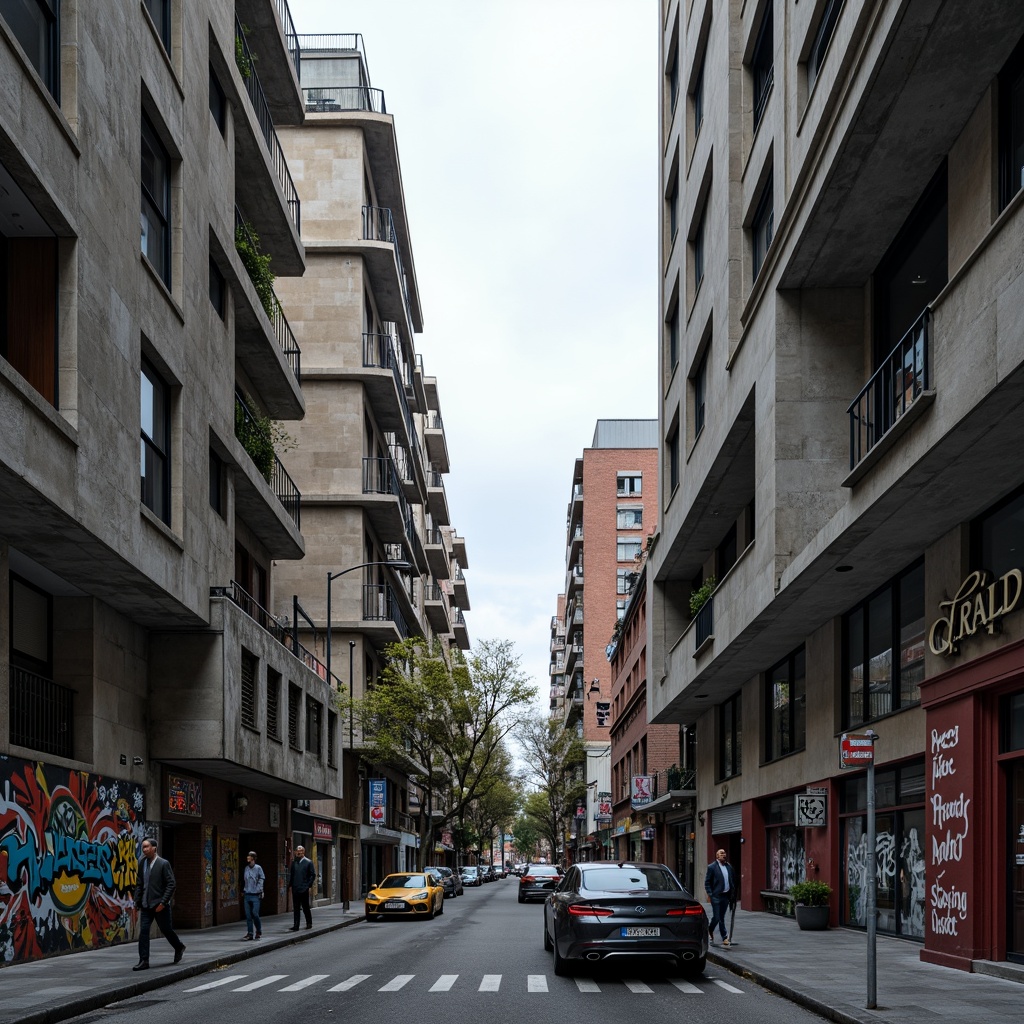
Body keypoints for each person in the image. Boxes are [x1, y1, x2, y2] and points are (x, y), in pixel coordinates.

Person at [133, 837, 186, 970]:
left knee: (166, 930)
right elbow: (139, 883)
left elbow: (171, 884)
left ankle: (179, 947)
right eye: (143, 847)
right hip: (145, 905)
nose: (144, 849)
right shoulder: (141, 862)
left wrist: (163, 902)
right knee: (144, 932)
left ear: (154, 848)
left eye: (147, 847)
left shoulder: (163, 864)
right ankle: (144, 960)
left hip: (160, 905)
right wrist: (136, 901)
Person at [703, 848, 738, 947]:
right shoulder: (712, 867)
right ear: (717, 856)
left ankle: (724, 937)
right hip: (716, 896)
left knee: (721, 917)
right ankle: (710, 929)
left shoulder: (728, 867)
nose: (724, 855)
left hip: (726, 896)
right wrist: (710, 894)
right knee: (717, 917)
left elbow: (732, 880)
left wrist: (733, 894)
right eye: (721, 853)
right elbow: (707, 882)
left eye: (724, 853)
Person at [288, 846, 316, 930]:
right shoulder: (294, 863)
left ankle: (309, 923)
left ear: (303, 852)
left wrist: (308, 885)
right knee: (296, 908)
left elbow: (312, 875)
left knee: (305, 907)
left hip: (304, 888)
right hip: (295, 888)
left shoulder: (308, 862)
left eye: (300, 851)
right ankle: (296, 925)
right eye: (297, 851)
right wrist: (290, 885)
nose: (298, 853)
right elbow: (292, 875)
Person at [242, 850, 265, 940]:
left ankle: (258, 930)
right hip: (247, 894)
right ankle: (250, 933)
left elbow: (262, 878)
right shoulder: (246, 868)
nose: (247, 857)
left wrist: (259, 889)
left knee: (255, 913)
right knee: (248, 915)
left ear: (253, 858)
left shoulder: (258, 868)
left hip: (256, 894)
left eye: (249, 856)